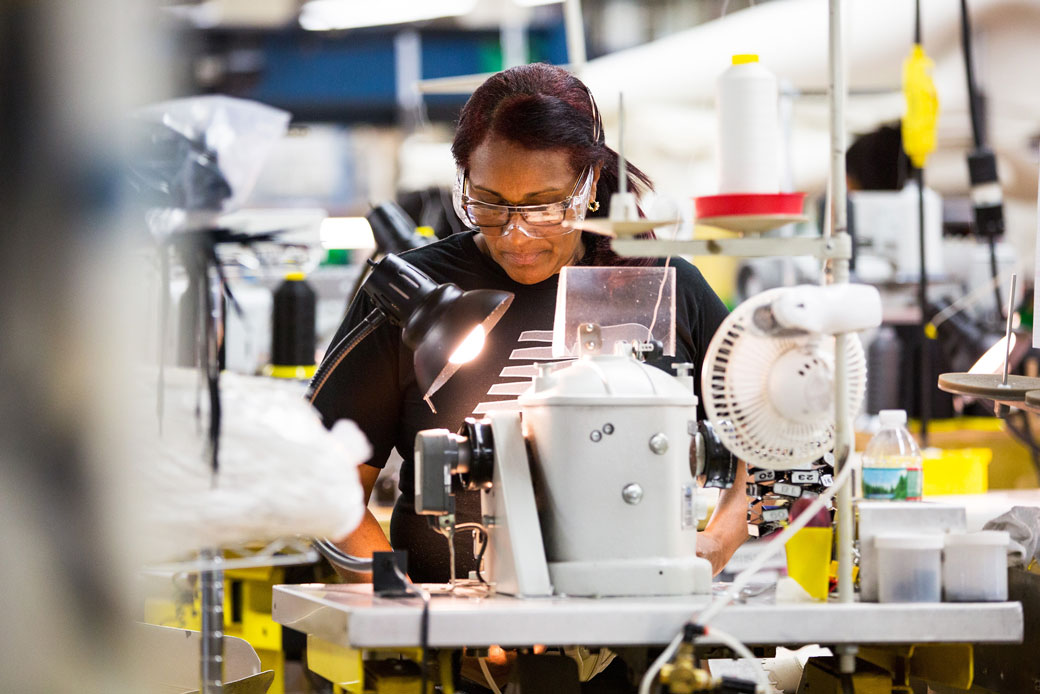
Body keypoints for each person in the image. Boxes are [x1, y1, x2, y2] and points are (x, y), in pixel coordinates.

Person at [311, 63, 748, 586]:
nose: (515, 235)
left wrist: (717, 544)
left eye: (543, 207)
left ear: (588, 186)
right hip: (449, 645)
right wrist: (403, 606)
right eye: (490, 205)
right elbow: (326, 484)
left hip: (636, 630)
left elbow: (764, 443)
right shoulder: (414, 298)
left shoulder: (665, 289)